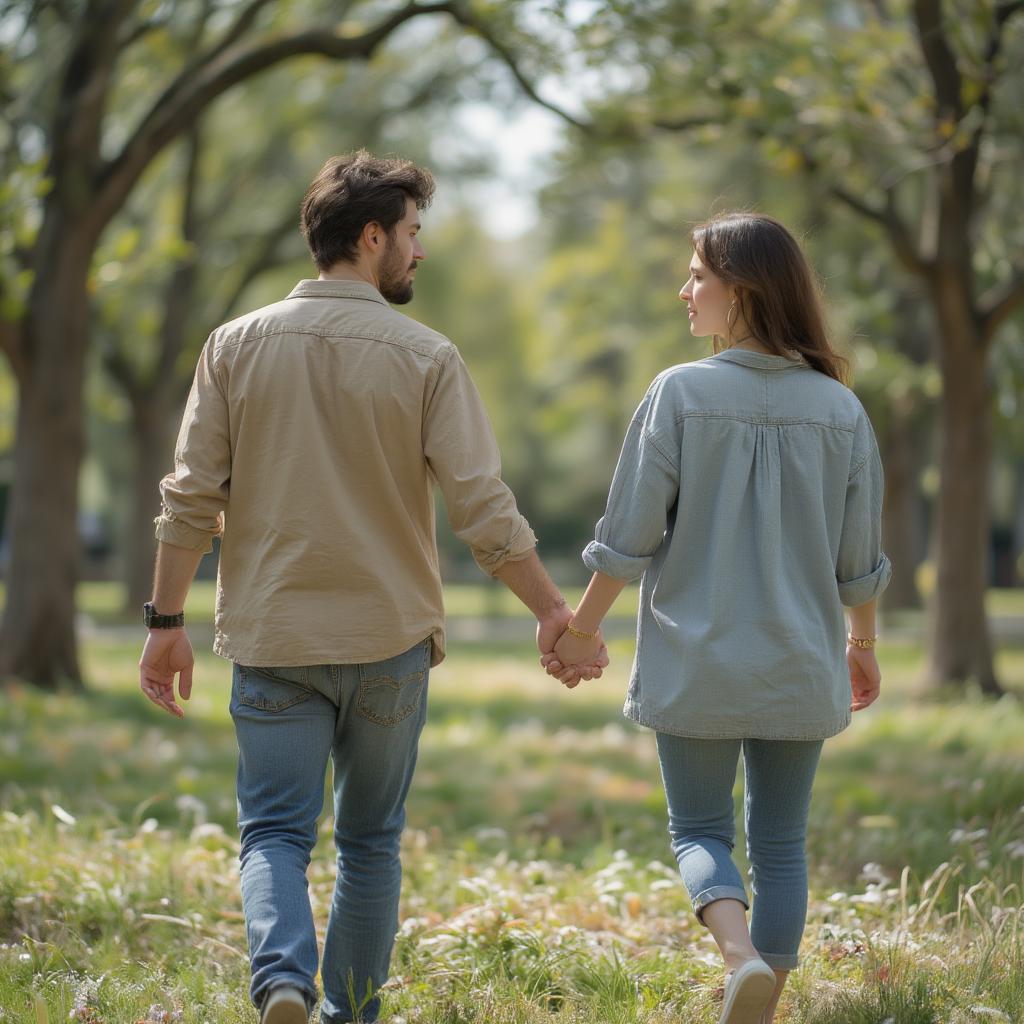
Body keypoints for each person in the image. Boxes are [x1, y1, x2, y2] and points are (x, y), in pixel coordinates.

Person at [137, 150, 605, 1024]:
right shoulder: (427, 356)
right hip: (389, 645)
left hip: (274, 642)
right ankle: (348, 1016)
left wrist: (166, 621)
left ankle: (281, 981)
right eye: (414, 235)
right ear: (372, 235)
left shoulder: (232, 347)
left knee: (274, 833)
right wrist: (554, 613)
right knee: (369, 842)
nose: (420, 254)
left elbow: (189, 497)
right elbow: (482, 509)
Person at [543, 212, 891, 1024]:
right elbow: (860, 561)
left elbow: (626, 539)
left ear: (745, 289)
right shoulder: (841, 410)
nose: (684, 291)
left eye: (698, 275)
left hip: (695, 663)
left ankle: (739, 962)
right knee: (780, 844)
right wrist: (862, 645)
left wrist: (580, 632)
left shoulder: (679, 394)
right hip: (800, 664)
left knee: (700, 829)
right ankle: (762, 1001)